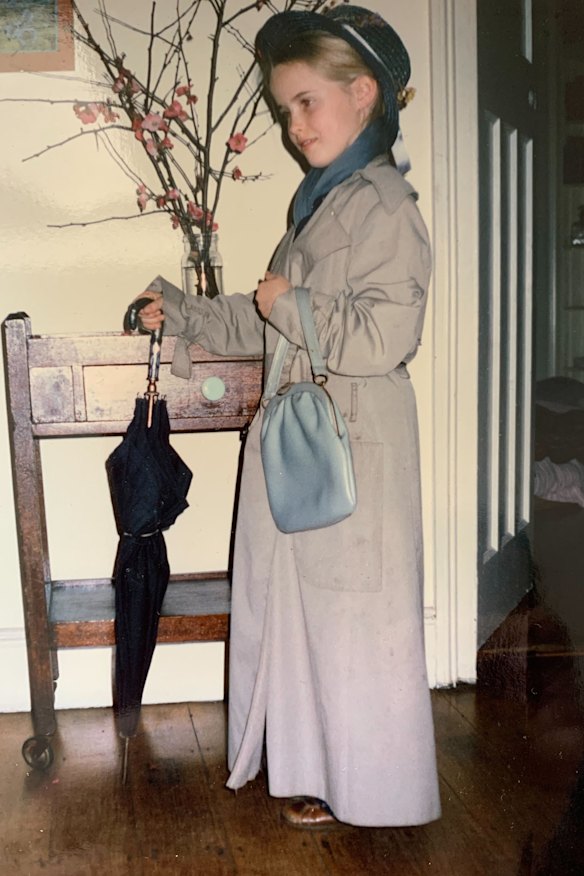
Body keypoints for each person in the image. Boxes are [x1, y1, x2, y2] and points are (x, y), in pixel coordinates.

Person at [137, 5, 441, 829]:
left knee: (355, 614)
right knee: (309, 609)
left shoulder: (384, 205)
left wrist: (293, 302)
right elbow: (264, 315)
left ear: (365, 94)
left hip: (356, 434)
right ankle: (317, 770)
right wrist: (188, 313)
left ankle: (377, 789)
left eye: (307, 102)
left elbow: (383, 336)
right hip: (304, 432)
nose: (292, 124)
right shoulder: (319, 205)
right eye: (284, 109)